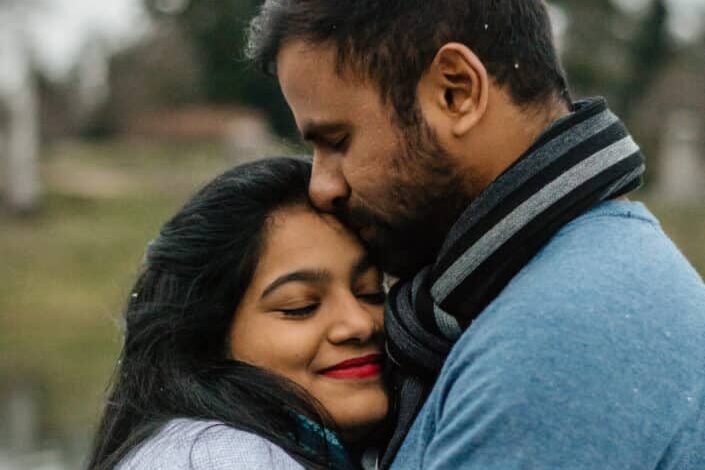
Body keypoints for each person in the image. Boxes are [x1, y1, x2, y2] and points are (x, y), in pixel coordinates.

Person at [247, 1, 705, 468]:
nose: (322, 186)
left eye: (338, 141)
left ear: (456, 91)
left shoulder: (558, 340)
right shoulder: (534, 290)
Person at [87, 157, 389, 470]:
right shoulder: (222, 457)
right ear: (207, 335)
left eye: (370, 293)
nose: (360, 323)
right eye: (301, 307)